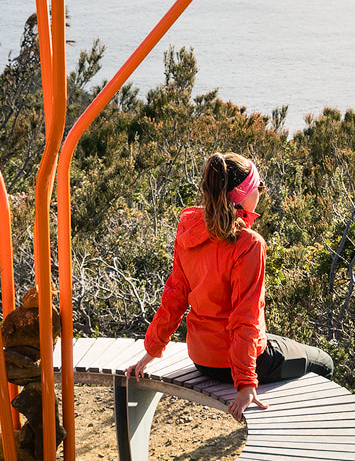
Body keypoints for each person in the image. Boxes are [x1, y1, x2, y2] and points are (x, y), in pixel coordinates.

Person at [127, 152, 333, 420]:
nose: (260, 191)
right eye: (257, 186)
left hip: (201, 359)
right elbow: (245, 318)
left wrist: (151, 350)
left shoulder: (189, 229)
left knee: (283, 346)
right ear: (243, 195)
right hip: (238, 365)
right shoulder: (249, 244)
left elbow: (174, 296)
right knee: (323, 362)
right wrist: (246, 383)